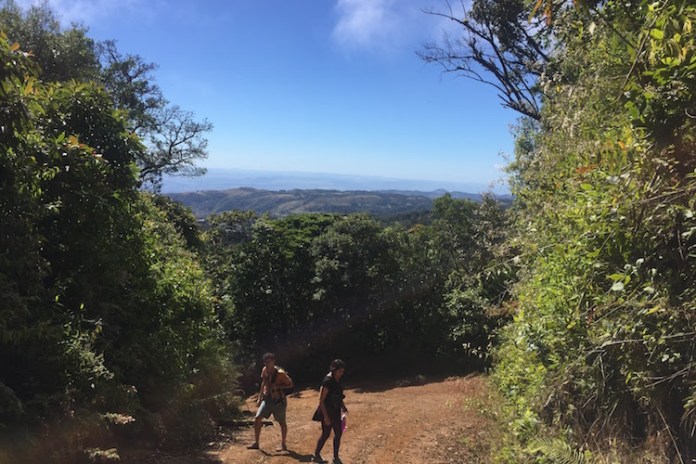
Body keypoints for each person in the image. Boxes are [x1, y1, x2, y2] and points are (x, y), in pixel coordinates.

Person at [247, 352, 293, 451]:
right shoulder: (265, 370)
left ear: (273, 361)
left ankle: (283, 444)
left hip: (278, 400)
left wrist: (278, 386)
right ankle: (256, 443)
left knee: (282, 422)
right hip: (267, 398)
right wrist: (259, 397)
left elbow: (290, 384)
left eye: (269, 362)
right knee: (258, 418)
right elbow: (263, 383)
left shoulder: (280, 373)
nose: (267, 364)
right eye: (265, 362)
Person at [312, 359, 348, 464]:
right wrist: (326, 417)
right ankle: (316, 454)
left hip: (335, 410)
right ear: (334, 370)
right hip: (327, 411)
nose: (341, 374)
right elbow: (321, 401)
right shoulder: (327, 381)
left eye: (342, 371)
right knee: (326, 434)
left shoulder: (338, 380)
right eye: (340, 371)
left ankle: (336, 457)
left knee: (338, 433)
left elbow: (338, 396)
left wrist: (343, 407)